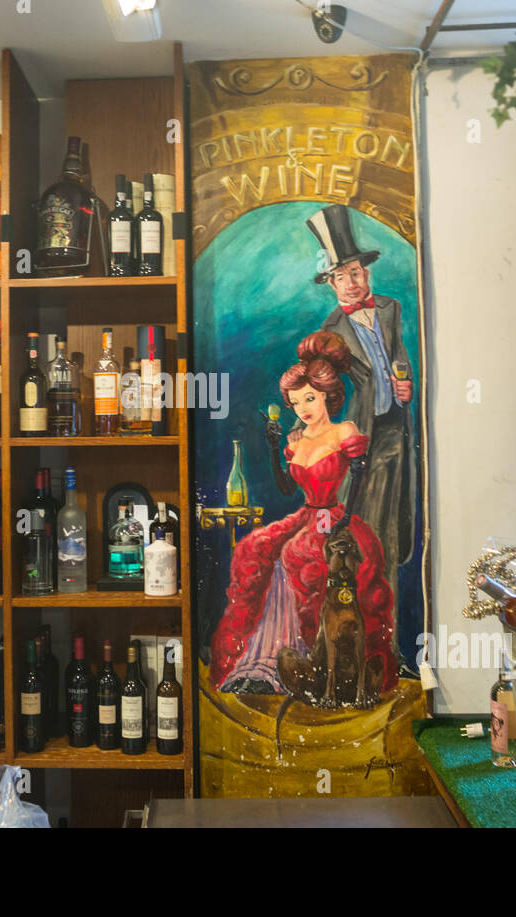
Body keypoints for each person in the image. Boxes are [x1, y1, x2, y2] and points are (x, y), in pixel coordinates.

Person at [210, 331, 397, 698]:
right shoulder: (296, 438)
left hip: (334, 516)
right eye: (296, 402)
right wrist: (272, 442)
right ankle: (263, 661)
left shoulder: (345, 431)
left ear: (328, 395)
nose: (304, 408)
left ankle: (295, 656)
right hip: (307, 513)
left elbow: (358, 478)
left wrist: (345, 521)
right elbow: (284, 488)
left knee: (293, 555)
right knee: (255, 548)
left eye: (309, 398)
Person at [309, 204, 416, 573]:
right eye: (342, 276)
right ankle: (364, 577)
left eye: (355, 273)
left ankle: (386, 573)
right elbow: (324, 387)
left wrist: (407, 385)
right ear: (332, 284)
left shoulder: (390, 309)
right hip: (364, 427)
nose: (351, 282)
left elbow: (400, 357)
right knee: (362, 509)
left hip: (397, 424)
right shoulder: (330, 329)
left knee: (394, 504)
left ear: (366, 273)